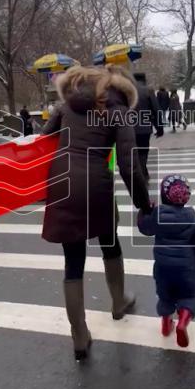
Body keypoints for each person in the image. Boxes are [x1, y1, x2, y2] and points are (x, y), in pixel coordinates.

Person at [41, 64, 152, 360]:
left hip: (61, 180)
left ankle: (79, 335)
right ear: (121, 89)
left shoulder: (66, 106)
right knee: (109, 241)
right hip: (95, 182)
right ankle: (118, 302)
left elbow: (44, 141)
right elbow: (129, 164)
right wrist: (144, 203)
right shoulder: (118, 110)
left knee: (73, 259)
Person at [137, 174, 195, 348]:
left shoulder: (157, 216)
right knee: (189, 296)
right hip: (186, 270)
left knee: (165, 296)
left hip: (163, 268)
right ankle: (182, 321)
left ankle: (166, 324)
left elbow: (145, 228)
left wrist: (145, 211)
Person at [131, 72, 164, 184]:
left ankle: (141, 173)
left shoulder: (127, 91)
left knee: (134, 151)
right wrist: (159, 128)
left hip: (129, 128)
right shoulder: (148, 91)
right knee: (143, 152)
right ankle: (143, 174)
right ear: (144, 79)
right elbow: (156, 110)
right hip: (144, 128)